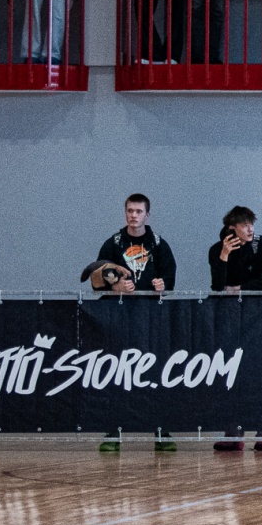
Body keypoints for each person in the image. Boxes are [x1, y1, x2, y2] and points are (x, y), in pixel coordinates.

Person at [91, 193, 179, 454]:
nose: (133, 215)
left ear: (147, 215)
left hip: (152, 319)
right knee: (117, 373)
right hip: (120, 319)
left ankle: (161, 431)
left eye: (139, 211)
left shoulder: (159, 244)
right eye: (130, 210)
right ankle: (113, 432)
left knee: (156, 374)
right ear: (125, 213)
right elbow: (96, 279)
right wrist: (115, 287)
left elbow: (170, 279)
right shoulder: (113, 244)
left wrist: (163, 285)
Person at [207, 206, 262, 293]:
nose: (250, 230)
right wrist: (224, 255)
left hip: (256, 299)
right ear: (232, 228)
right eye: (245, 226)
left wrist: (238, 288)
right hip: (227, 300)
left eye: (251, 225)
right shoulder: (216, 249)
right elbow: (217, 287)